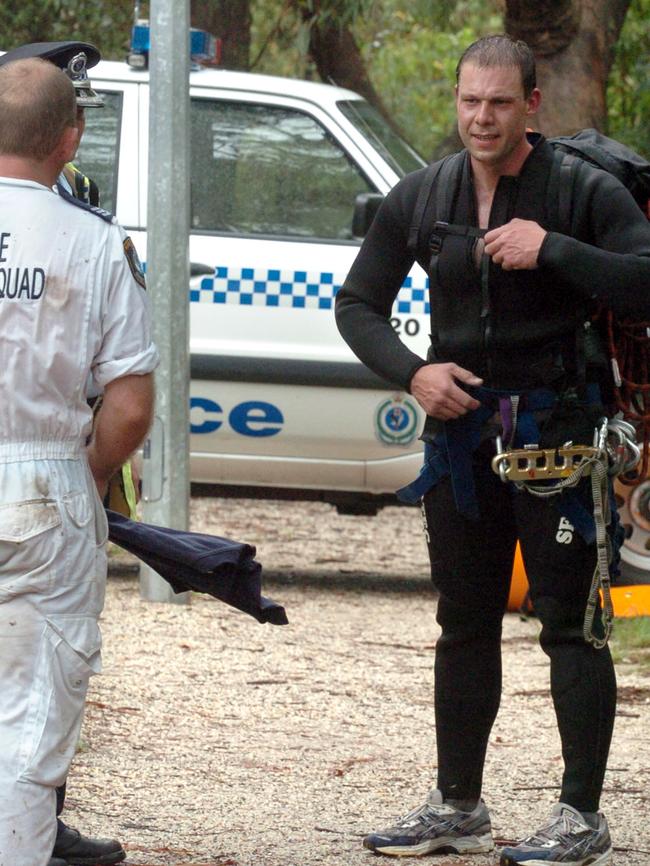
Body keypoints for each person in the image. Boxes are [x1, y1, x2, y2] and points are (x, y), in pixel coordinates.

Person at [335, 34, 650, 866]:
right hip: (461, 441)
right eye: (470, 101)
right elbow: (357, 303)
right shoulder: (425, 191)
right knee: (462, 622)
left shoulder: (579, 191)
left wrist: (554, 248)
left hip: (561, 438)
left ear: (532, 106)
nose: (482, 118)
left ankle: (581, 815)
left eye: (500, 103)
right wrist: (414, 373)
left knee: (571, 630)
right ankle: (457, 804)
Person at [0, 57, 158, 866]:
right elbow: (130, 405)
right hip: (41, 479)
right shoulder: (94, 245)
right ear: (70, 139)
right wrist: (90, 472)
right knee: (29, 722)